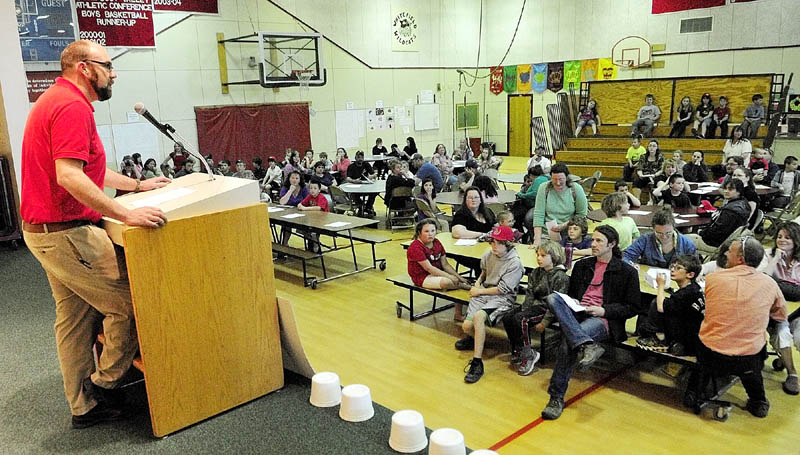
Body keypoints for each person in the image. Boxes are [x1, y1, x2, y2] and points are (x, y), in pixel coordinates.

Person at [20, 39, 171, 429]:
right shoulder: (71, 107)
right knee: (129, 305)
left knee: (74, 318)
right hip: (67, 233)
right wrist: (126, 214)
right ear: (84, 68)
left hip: (45, 231)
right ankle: (105, 384)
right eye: (108, 66)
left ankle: (83, 406)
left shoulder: (55, 100)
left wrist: (138, 187)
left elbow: (88, 170)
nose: (114, 73)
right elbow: (69, 176)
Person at [540, 225, 640, 420]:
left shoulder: (627, 272)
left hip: (603, 318)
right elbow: (571, 295)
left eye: (599, 241)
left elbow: (633, 308)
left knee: (567, 344)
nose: (593, 244)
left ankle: (556, 397)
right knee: (553, 298)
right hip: (578, 313)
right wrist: (574, 301)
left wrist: (604, 310)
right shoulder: (582, 265)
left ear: (612, 244)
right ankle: (586, 344)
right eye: (592, 240)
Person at [686, 237, 787, 417]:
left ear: (741, 258)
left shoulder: (714, 278)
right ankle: (758, 402)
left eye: (729, 251)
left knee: (702, 341)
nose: (725, 253)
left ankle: (693, 391)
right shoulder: (770, 284)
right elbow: (780, 315)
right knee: (755, 358)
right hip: (747, 358)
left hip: (710, 353)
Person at [455, 225, 524, 384]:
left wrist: (479, 292)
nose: (494, 246)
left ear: (507, 244)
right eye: (492, 242)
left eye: (498, 243)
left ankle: (477, 363)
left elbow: (502, 290)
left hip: (502, 298)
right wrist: (478, 284)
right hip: (484, 292)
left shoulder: (514, 263)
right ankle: (478, 339)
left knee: (479, 317)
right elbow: (484, 272)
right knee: (466, 327)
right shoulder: (488, 254)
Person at [503, 239, 570, 375]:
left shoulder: (561, 277)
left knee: (521, 319)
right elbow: (530, 293)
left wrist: (545, 321)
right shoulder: (535, 272)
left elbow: (557, 302)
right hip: (535, 306)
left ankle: (529, 355)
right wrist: (525, 308)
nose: (539, 258)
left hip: (548, 309)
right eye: (538, 255)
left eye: (543, 256)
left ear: (554, 256)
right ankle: (519, 349)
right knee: (508, 317)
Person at [636, 254, 705, 355]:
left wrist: (660, 285)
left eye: (678, 268)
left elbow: (660, 307)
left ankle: (660, 339)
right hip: (693, 334)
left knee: (655, 303)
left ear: (690, 275)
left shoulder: (684, 295)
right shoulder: (695, 288)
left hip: (686, 338)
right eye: (672, 266)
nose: (673, 270)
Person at [764, 222, 800, 394]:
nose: (782, 240)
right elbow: (763, 281)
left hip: (797, 311)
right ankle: (792, 373)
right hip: (775, 311)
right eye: (779, 236)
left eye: (787, 237)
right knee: (781, 334)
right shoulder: (768, 255)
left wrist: (779, 285)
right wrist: (776, 259)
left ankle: (783, 358)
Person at [531, 163, 588, 246]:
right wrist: (537, 239)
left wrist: (564, 225)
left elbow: (581, 215)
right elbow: (539, 214)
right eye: (554, 179)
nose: (558, 183)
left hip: (569, 232)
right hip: (547, 233)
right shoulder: (543, 188)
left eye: (561, 179)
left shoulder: (576, 189)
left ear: (567, 178)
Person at [406, 218, 471, 291]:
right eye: (426, 231)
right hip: (423, 277)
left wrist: (459, 277)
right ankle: (464, 286)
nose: (430, 234)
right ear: (419, 233)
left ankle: (461, 284)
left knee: (453, 279)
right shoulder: (415, 247)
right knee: (446, 282)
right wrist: (450, 277)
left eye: (433, 231)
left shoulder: (436, 242)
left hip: (437, 272)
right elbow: (429, 268)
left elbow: (445, 264)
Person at [688, 179, 750, 253]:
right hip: (726, 242)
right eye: (725, 188)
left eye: (730, 189)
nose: (726, 191)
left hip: (715, 244)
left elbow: (717, 232)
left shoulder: (730, 212)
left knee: (680, 240)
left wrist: (701, 232)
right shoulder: (743, 204)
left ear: (739, 191)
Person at [623, 207, 697, 268]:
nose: (664, 237)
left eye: (668, 233)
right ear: (653, 229)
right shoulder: (645, 240)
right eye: (659, 233)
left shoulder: (687, 244)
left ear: (674, 227)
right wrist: (630, 265)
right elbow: (626, 256)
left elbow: (694, 267)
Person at [346, 150, 378, 216]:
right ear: (355, 158)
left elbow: (374, 174)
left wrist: (372, 176)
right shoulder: (351, 166)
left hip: (366, 186)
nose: (360, 159)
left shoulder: (366, 164)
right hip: (356, 186)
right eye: (358, 157)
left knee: (375, 192)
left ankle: (368, 207)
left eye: (361, 157)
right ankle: (361, 206)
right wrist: (354, 181)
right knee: (353, 195)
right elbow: (348, 178)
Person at [633, 139, 664, 204]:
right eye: (650, 146)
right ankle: (637, 200)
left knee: (653, 182)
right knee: (636, 181)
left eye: (654, 146)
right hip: (645, 175)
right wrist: (640, 175)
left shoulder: (660, 157)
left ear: (657, 147)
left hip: (655, 175)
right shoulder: (643, 156)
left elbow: (661, 169)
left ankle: (651, 201)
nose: (651, 147)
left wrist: (655, 175)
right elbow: (639, 168)